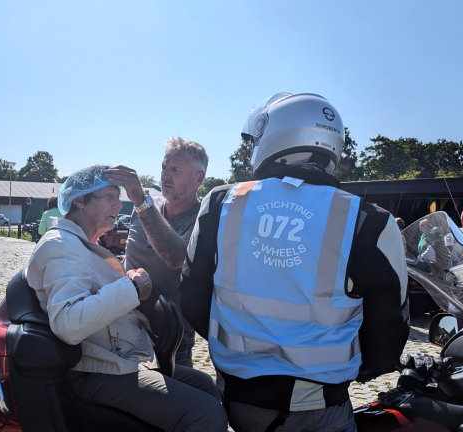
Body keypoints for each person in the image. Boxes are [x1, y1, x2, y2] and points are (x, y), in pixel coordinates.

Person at [179, 93, 409, 432]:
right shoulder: (367, 220)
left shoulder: (222, 202)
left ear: (275, 136)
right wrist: (358, 371)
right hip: (321, 406)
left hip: (239, 399)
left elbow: (192, 297)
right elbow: (390, 326)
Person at [26, 164, 227, 432]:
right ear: (79, 200)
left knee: (205, 386)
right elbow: (69, 323)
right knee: (206, 415)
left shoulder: (83, 246)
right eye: (109, 195)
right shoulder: (60, 245)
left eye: (118, 196)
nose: (118, 204)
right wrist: (130, 289)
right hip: (95, 370)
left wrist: (126, 284)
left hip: (119, 361)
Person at [105, 137, 207, 368]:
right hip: (124, 327)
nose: (165, 176)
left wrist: (141, 201)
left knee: (175, 399)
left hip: (169, 338)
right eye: (163, 167)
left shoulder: (204, 218)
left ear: (199, 178)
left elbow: (176, 257)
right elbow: (130, 257)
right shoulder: (146, 208)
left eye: (175, 170)